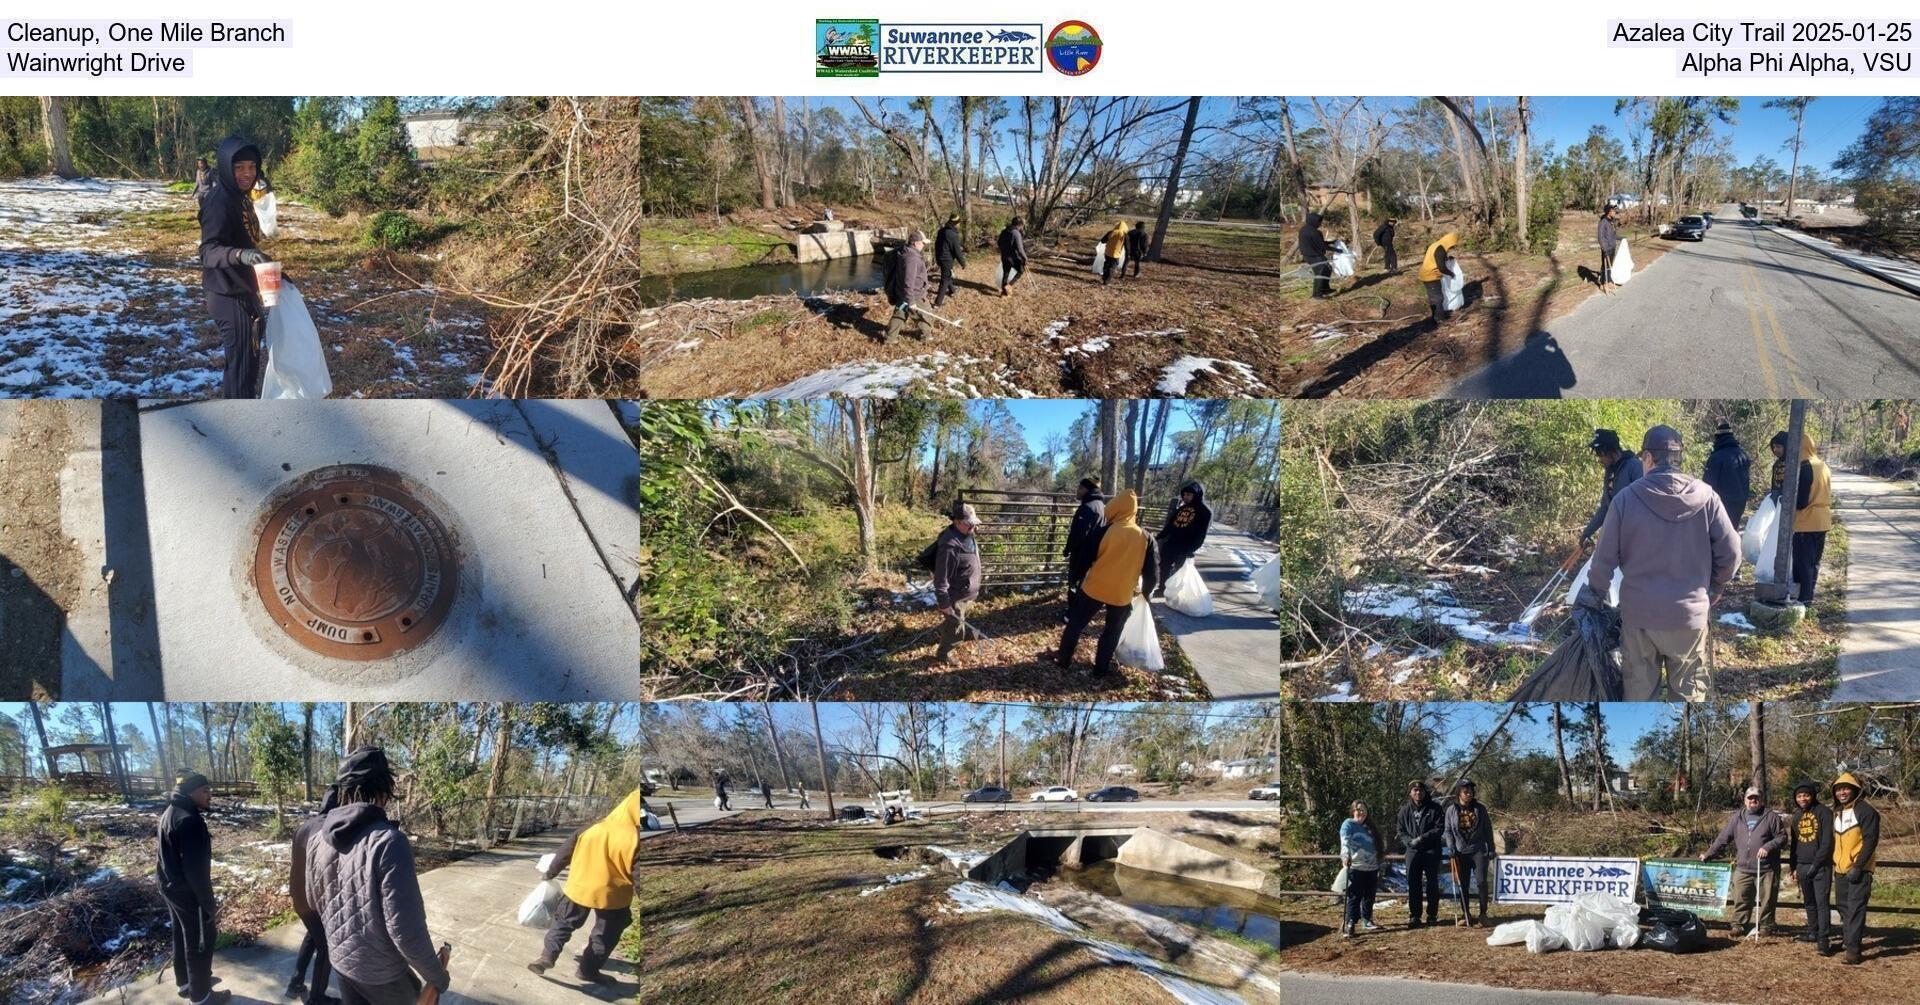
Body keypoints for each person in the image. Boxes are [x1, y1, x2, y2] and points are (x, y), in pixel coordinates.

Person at [1586, 425, 1739, 701]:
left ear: (1647, 458)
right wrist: (1716, 585)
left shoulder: (1625, 500)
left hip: (1639, 619)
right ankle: (1690, 746)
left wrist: (1592, 596)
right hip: (1689, 619)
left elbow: (1602, 560)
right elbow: (1731, 553)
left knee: (1640, 698)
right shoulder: (1707, 498)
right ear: (1678, 458)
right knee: (1690, 698)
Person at [306, 748, 452, 1004]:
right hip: (383, 977)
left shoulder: (317, 839)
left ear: (343, 791)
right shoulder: (388, 842)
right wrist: (437, 976)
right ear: (384, 791)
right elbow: (406, 931)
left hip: (341, 964)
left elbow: (313, 900)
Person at [530, 790, 638, 984]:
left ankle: (547, 957)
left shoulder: (591, 828)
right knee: (604, 936)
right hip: (613, 897)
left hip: (578, 889)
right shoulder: (635, 838)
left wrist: (550, 873)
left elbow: (563, 854)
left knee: (562, 924)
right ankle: (587, 971)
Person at [1049, 489, 1160, 676]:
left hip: (1094, 588)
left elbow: (1084, 558)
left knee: (1075, 624)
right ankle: (1100, 669)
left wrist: (1075, 579)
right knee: (1112, 632)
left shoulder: (1103, 532)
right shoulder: (1146, 538)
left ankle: (1064, 659)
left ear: (1115, 509)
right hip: (1122, 594)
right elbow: (1153, 571)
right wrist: (1147, 593)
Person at [199, 134, 273, 399]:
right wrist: (240, 255)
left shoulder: (240, 197)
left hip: (243, 289)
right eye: (239, 167)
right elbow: (208, 251)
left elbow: (245, 240)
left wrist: (274, 272)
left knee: (246, 367)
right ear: (226, 167)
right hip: (227, 295)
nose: (247, 173)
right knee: (241, 371)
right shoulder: (219, 202)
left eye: (251, 167)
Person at [158, 773, 230, 1005]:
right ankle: (201, 997)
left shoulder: (170, 812)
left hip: (170, 886)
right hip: (188, 893)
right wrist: (208, 905)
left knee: (181, 935)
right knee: (201, 941)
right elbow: (196, 871)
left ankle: (187, 983)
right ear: (191, 792)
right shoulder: (189, 820)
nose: (210, 795)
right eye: (205, 790)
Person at [1701, 787, 1785, 937]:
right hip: (1743, 868)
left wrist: (1768, 846)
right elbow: (1723, 838)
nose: (1753, 800)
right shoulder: (1737, 817)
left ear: (1761, 800)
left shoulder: (1771, 817)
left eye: (1756, 798)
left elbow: (1782, 837)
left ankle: (1766, 926)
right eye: (1750, 798)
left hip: (1767, 868)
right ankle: (1739, 925)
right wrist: (1709, 854)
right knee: (1741, 899)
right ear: (1745, 800)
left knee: (1768, 900)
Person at [288, 786, 341, 1005]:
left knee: (313, 935)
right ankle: (317, 998)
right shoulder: (331, 830)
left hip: (299, 896)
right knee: (326, 946)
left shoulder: (304, 826)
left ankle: (295, 983)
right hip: (316, 899)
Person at [1831, 772, 1879, 965]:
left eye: (1845, 788)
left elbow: (1870, 840)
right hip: (1841, 869)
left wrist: (1859, 866)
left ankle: (1853, 951)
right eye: (1838, 789)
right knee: (1843, 908)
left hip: (1859, 869)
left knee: (1856, 909)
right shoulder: (1838, 812)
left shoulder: (1866, 811)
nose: (1842, 792)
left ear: (1855, 790)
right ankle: (1847, 941)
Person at [933, 500, 987, 663]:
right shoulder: (949, 546)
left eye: (974, 524)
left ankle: (948, 628)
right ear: (956, 522)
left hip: (967, 592)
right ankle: (944, 654)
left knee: (956, 621)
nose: (973, 528)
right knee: (956, 626)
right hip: (957, 596)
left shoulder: (966, 533)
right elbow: (940, 579)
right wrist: (944, 603)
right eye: (969, 525)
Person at [1787, 781, 1835, 956]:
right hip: (1802, 866)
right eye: (1799, 796)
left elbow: (1827, 843)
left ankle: (1824, 940)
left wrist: (1816, 864)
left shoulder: (1824, 813)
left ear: (1812, 795)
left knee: (1822, 903)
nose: (1802, 799)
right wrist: (1793, 867)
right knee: (1809, 902)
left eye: (1805, 795)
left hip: (1821, 867)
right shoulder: (1797, 815)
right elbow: (1794, 844)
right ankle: (1812, 932)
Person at [1580, 429, 1645, 549]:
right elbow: (1605, 508)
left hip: (1637, 541)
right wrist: (1587, 532)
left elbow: (1645, 505)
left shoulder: (1635, 467)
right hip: (1618, 538)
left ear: (1611, 451)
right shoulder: (1610, 473)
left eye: (1600, 454)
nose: (1599, 459)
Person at [1787, 432, 1832, 605]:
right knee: (1814, 563)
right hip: (1823, 520)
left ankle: (1803, 600)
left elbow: (1801, 502)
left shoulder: (1805, 467)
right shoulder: (1823, 466)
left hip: (1806, 522)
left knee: (1803, 563)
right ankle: (1809, 596)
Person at [1444, 779, 1493, 928]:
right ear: (1459, 793)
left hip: (1478, 850)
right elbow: (1448, 830)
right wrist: (1450, 847)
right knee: (1463, 884)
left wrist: (1491, 848)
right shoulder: (1451, 810)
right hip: (1460, 852)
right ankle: (1466, 915)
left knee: (1481, 882)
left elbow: (1487, 829)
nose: (1469, 794)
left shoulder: (1480, 809)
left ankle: (1483, 914)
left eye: (1471, 792)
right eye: (1466, 792)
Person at [1395, 779, 1444, 929]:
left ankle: (1432, 915)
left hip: (1431, 851)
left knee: (1432, 884)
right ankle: (1415, 915)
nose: (1418, 793)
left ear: (1424, 792)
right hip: (1412, 851)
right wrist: (1409, 841)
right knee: (1413, 883)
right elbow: (1400, 830)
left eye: (1421, 790)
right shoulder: (1404, 810)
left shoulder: (1435, 808)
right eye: (1415, 790)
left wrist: (1422, 838)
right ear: (1410, 793)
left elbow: (1439, 828)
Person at [1153, 481, 1213, 598]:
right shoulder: (1181, 509)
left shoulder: (1204, 512)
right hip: (1171, 543)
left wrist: (1191, 549)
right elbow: (1170, 526)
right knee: (1164, 566)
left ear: (1196, 495)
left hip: (1186, 547)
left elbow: (1201, 534)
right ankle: (1163, 589)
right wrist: (1159, 537)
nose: (1185, 497)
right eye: (1184, 495)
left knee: (1180, 572)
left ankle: (1177, 594)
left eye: (1188, 495)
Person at [1338, 801, 1382, 937]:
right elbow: (1344, 842)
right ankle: (1350, 922)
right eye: (1358, 809)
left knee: (1369, 895)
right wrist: (1345, 856)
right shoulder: (1348, 824)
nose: (1361, 812)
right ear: (1353, 811)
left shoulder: (1370, 827)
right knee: (1354, 896)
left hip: (1372, 867)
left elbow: (1377, 845)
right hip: (1356, 866)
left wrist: (1379, 862)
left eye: (1364, 810)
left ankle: (1367, 920)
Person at [1063, 477, 1107, 602]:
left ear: (1088, 490)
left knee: (1075, 582)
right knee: (1084, 583)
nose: (1077, 490)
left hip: (1082, 555)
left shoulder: (1087, 508)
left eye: (1081, 488)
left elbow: (1079, 534)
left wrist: (1068, 549)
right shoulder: (1101, 506)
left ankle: (1071, 614)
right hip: (1093, 554)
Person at [1701, 421, 1753, 528]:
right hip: (1740, 502)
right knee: (1733, 529)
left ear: (1718, 438)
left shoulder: (1716, 457)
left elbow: (1708, 485)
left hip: (1721, 503)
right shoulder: (1743, 455)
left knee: (1719, 534)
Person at [883, 230, 931, 342]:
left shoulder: (907, 252)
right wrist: (911, 301)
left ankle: (890, 338)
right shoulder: (912, 258)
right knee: (925, 314)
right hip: (914, 294)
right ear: (916, 243)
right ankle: (926, 337)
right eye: (923, 243)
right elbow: (908, 282)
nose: (924, 245)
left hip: (903, 292)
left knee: (900, 313)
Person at [1418, 232, 1460, 323]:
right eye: (1452, 246)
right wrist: (1451, 274)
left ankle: (1435, 316)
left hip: (1427, 274)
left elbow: (1437, 258)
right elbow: (1442, 268)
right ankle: (1439, 318)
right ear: (1450, 242)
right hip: (1430, 276)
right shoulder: (1440, 249)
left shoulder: (1437, 245)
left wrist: (1448, 258)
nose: (1451, 248)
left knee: (1433, 296)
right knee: (1437, 297)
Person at [933, 214, 966, 307]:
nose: (959, 225)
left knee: (947, 275)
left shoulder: (942, 231)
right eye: (958, 223)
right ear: (955, 224)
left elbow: (937, 246)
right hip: (947, 260)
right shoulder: (953, 235)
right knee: (945, 280)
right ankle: (937, 303)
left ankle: (952, 291)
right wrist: (962, 263)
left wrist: (937, 258)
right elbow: (957, 251)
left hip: (940, 258)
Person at [1298, 212, 1332, 298]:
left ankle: (1325, 289)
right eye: (1319, 222)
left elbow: (1317, 243)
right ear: (1314, 221)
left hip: (1309, 255)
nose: (1320, 224)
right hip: (1314, 256)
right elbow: (1322, 245)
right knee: (1320, 273)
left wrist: (1332, 242)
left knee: (1328, 269)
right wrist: (1337, 250)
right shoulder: (1314, 232)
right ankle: (1317, 295)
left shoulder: (1304, 229)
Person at [997, 217, 1027, 296]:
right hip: (1013, 257)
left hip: (1004, 256)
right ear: (1019, 225)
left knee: (1006, 274)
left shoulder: (1004, 231)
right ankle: (1009, 286)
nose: (1022, 227)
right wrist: (1025, 258)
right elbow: (1020, 249)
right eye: (1022, 225)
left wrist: (1004, 250)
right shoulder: (1016, 233)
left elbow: (999, 243)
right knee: (1021, 271)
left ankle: (1004, 293)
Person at [1598, 204, 1620, 291]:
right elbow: (1601, 237)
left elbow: (1612, 234)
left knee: (1610, 265)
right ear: (1608, 212)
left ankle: (1609, 281)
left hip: (1612, 247)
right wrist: (1604, 248)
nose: (1615, 212)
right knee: (1605, 266)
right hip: (1606, 248)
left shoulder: (1611, 221)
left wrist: (1620, 238)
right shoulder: (1603, 222)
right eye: (1613, 211)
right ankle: (1603, 284)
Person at [1101, 221, 1128, 285]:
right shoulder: (1124, 235)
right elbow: (1127, 246)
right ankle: (1107, 281)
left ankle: (1104, 278)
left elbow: (1102, 241)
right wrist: (1128, 253)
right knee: (1112, 267)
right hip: (1116, 254)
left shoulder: (1111, 232)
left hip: (1107, 252)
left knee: (1107, 265)